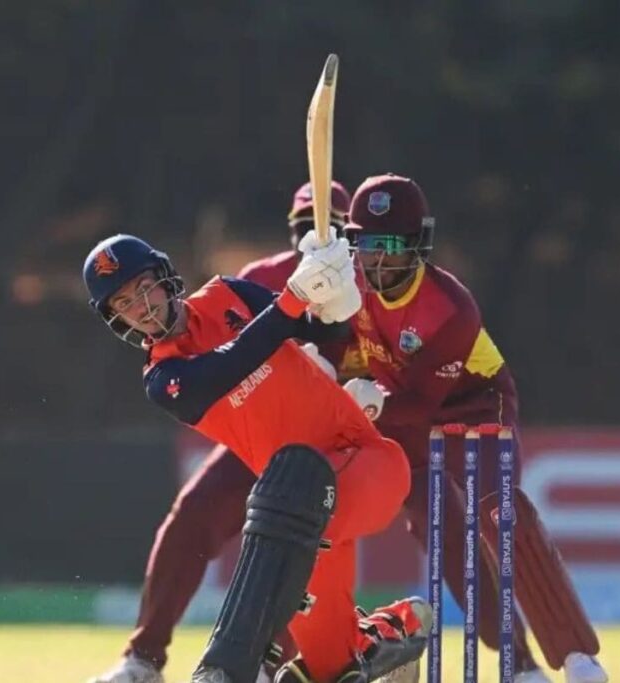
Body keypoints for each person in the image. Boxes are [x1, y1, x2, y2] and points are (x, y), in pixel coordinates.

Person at [82, 229, 430, 683]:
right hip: (303, 520)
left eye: (143, 287)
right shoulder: (164, 379)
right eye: (124, 303)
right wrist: (294, 296)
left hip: (367, 464)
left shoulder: (229, 293)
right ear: (117, 321)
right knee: (334, 668)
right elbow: (233, 361)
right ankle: (396, 632)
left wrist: (337, 295)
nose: (142, 308)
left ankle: (235, 665)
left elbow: (324, 328)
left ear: (165, 279)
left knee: (284, 500)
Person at [340, 173, 608, 683]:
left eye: (391, 246)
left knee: (495, 512)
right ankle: (522, 665)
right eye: (367, 245)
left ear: (418, 246)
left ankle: (576, 655)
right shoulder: (349, 283)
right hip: (398, 412)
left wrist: (369, 400)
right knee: (438, 528)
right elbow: (320, 332)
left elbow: (419, 403)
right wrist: (313, 286)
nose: (376, 260)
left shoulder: (450, 308)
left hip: (475, 402)